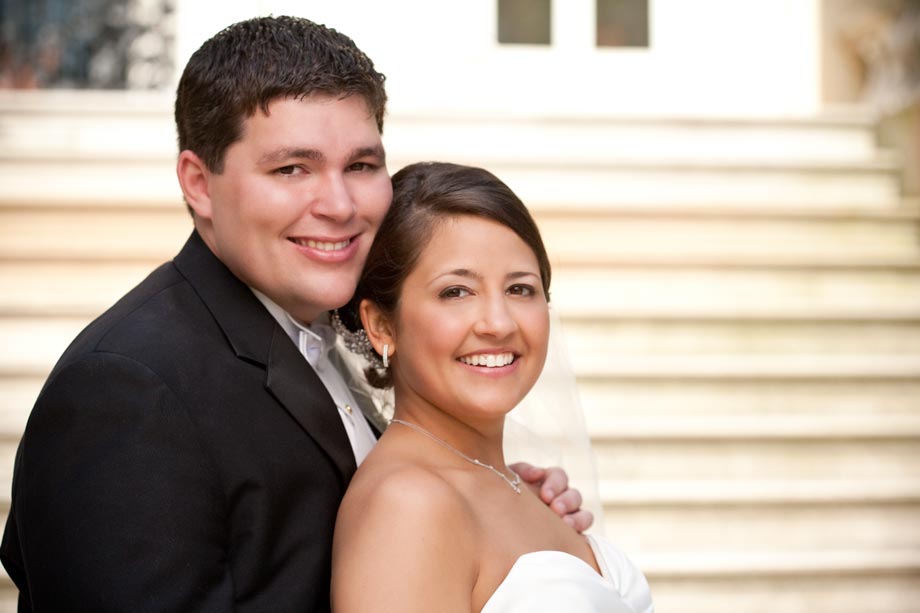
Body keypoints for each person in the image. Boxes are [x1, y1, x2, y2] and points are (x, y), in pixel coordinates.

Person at [0, 16, 590, 612]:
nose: (338, 205)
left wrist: (493, 507)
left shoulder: (319, 334)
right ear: (199, 183)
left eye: (360, 166)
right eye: (292, 169)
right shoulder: (128, 389)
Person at [331, 162, 654, 612]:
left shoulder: (525, 487)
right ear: (382, 325)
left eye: (521, 289)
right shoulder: (406, 506)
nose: (499, 324)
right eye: (457, 292)